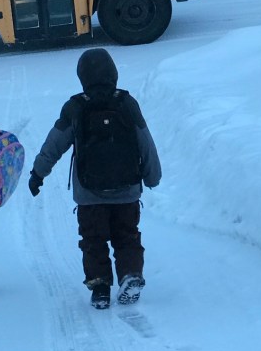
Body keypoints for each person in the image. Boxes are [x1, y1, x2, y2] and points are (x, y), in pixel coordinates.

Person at [28, 48, 161, 309]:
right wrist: (152, 176)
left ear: (82, 77)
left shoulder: (75, 107)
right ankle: (130, 274)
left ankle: (100, 288)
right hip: (127, 190)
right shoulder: (127, 103)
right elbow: (145, 141)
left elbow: (54, 143)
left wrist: (38, 173)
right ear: (114, 73)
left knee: (93, 240)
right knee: (127, 236)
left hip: (90, 195)